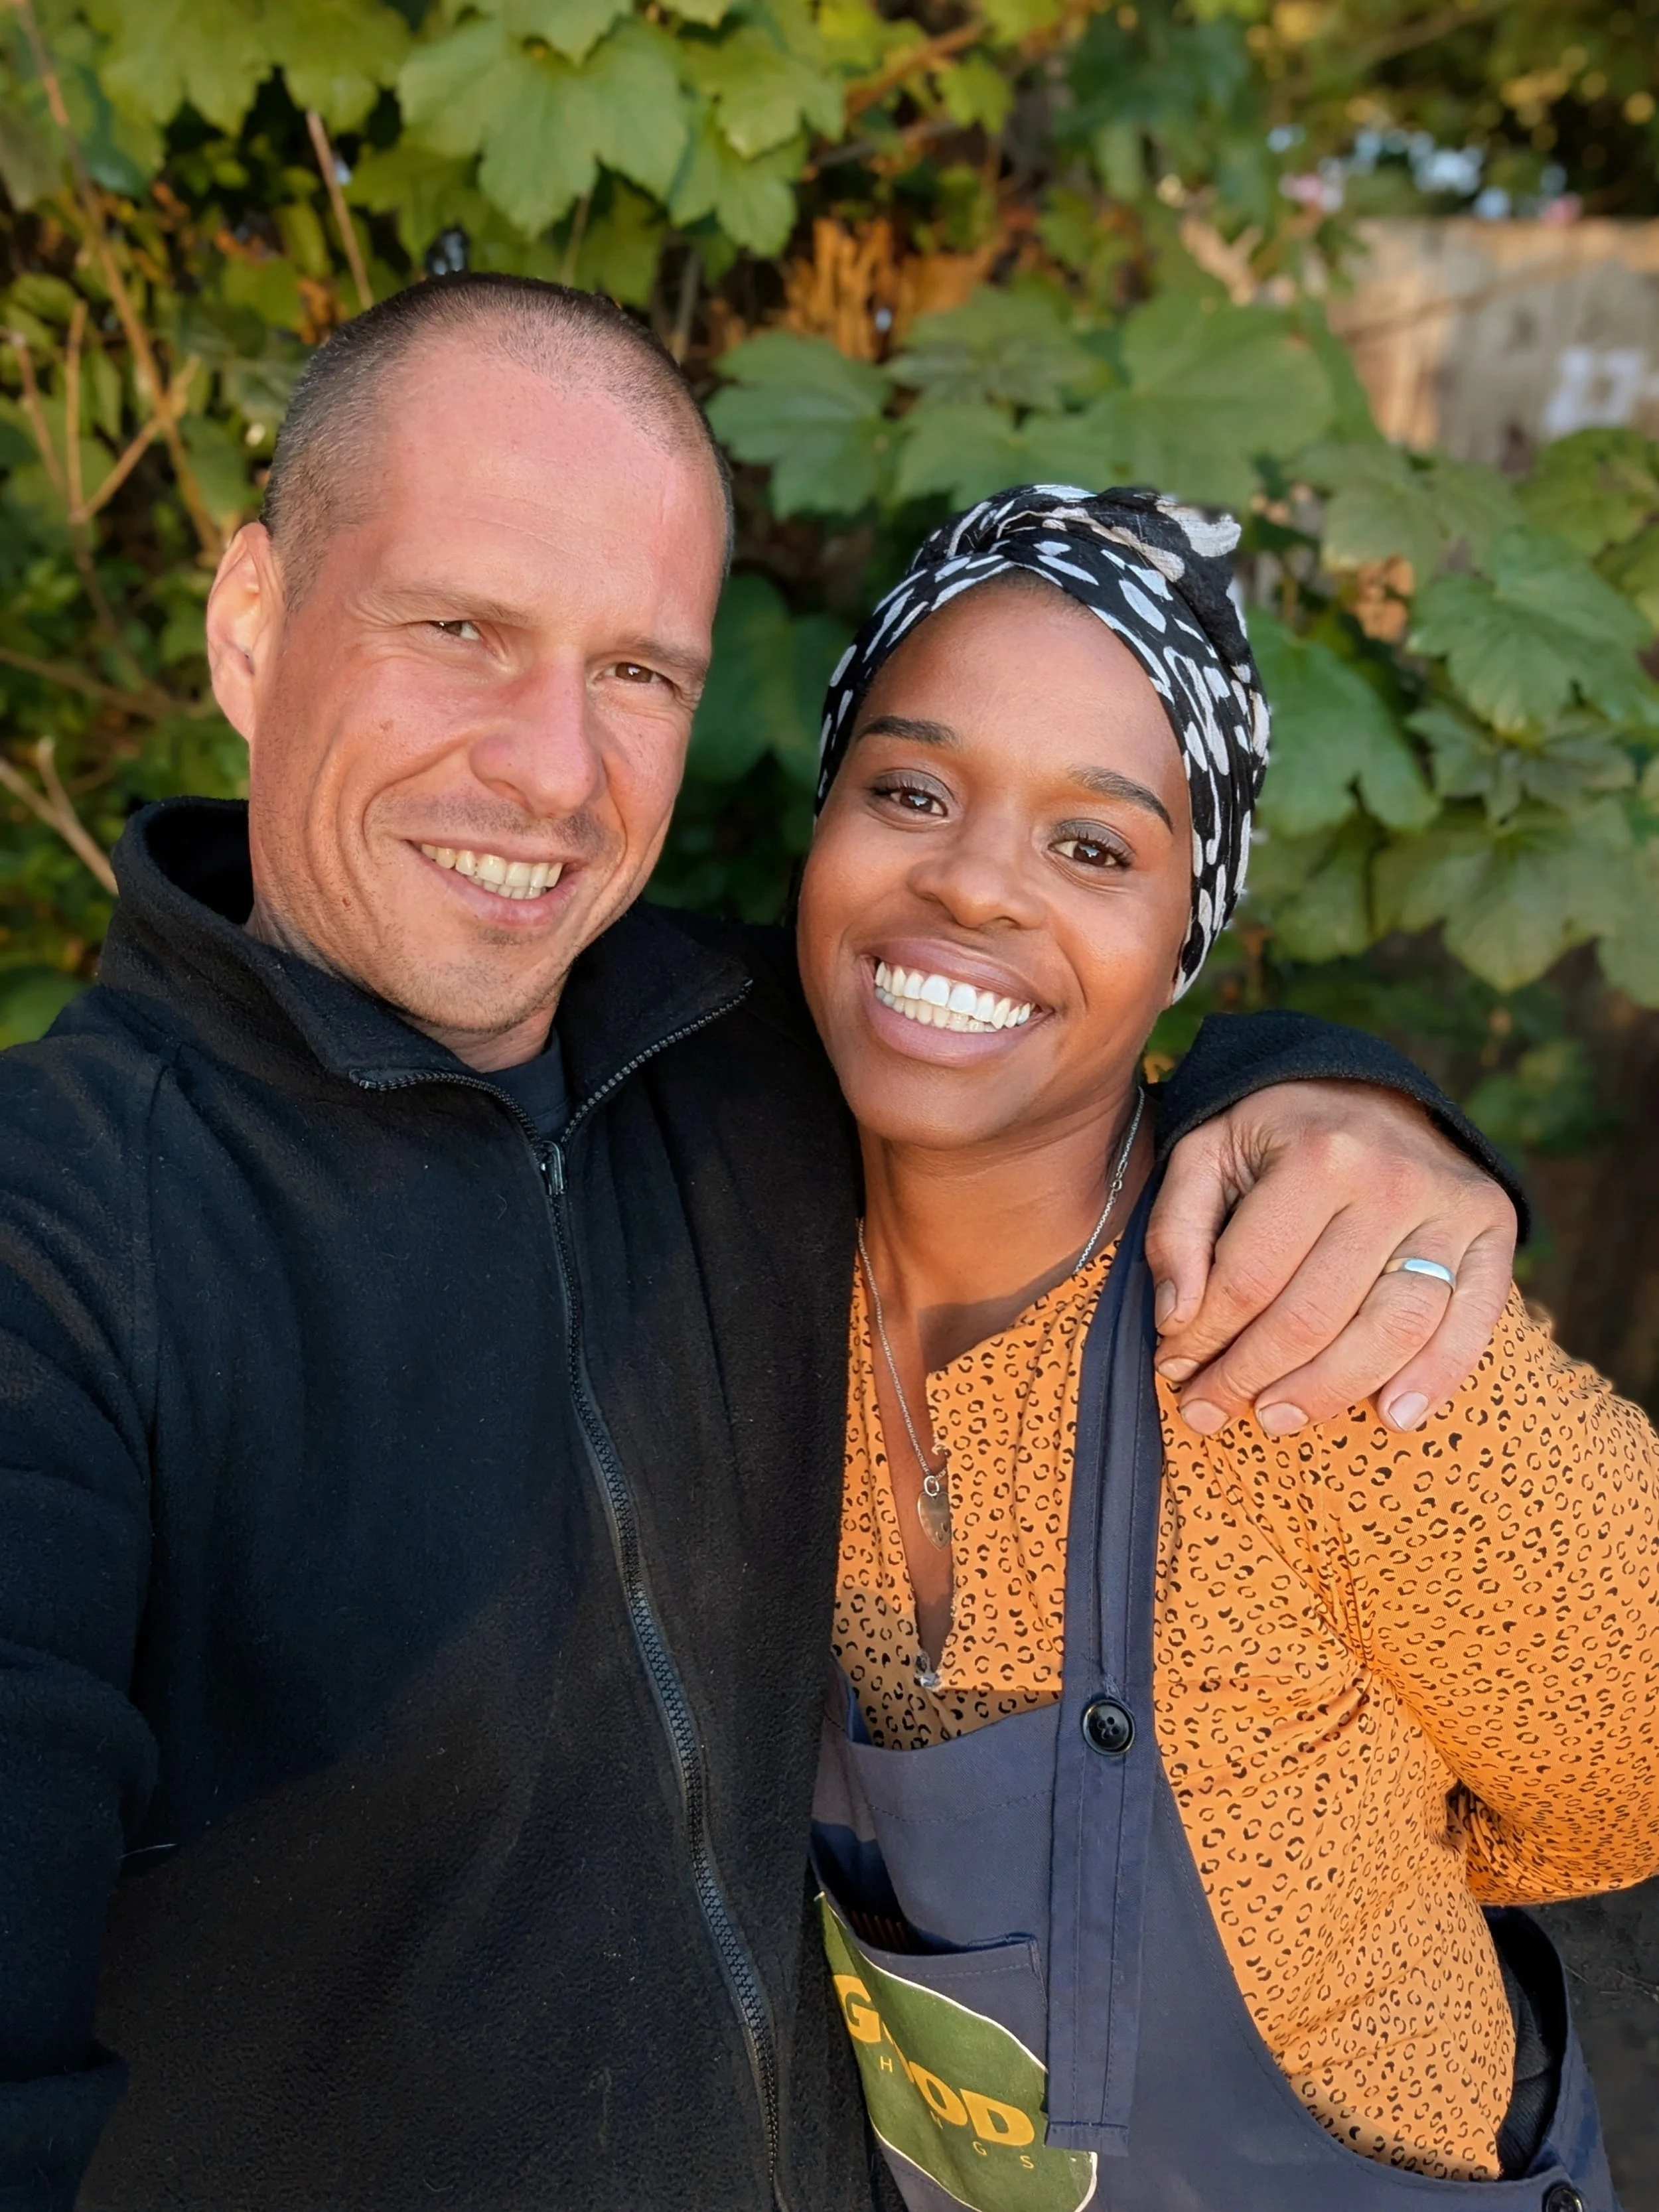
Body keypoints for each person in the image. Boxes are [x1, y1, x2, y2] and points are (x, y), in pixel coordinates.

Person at [0, 280, 1524, 2212]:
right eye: (461, 629)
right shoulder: (59, 1250)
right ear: (250, 625)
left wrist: (1338, 1098)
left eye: (633, 669)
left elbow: (1036, 1036)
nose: (550, 772)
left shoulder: (746, 1068)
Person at [799, 486, 1659, 2212]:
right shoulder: (733, 1259)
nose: (971, 881)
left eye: (1094, 843)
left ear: (1184, 932)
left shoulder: (1337, 1338)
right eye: (910, 788)